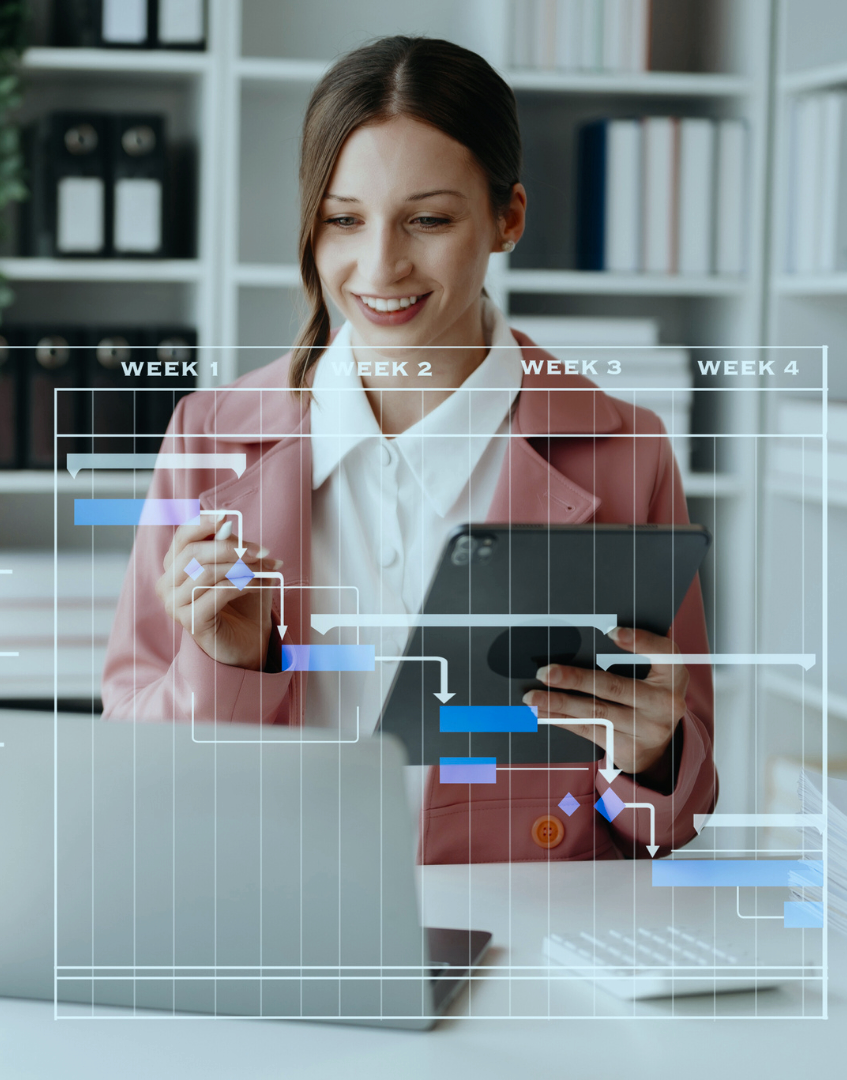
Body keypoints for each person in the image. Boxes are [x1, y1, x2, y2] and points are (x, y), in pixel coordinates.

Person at [102, 34, 717, 864]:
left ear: (508, 218)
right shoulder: (209, 437)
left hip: (521, 950)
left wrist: (652, 754)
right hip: (268, 921)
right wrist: (228, 665)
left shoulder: (626, 451)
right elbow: (137, 770)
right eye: (344, 220)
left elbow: (674, 817)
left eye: (428, 219)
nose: (381, 265)